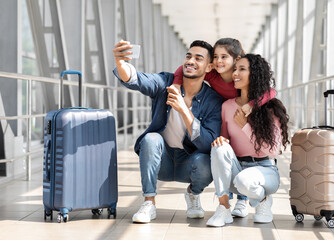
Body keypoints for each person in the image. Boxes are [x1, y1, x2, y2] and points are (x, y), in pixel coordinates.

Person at [112, 39, 223, 223]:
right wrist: (120, 63)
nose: (190, 61)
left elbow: (206, 143)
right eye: (188, 56)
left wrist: (184, 110)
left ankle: (193, 195)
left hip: (190, 162)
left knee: (206, 160)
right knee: (150, 139)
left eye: (198, 58)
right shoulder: (166, 83)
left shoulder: (213, 100)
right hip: (162, 160)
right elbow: (138, 80)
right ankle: (149, 202)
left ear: (209, 67)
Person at [174, 38, 276, 218]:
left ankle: (244, 200)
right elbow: (184, 69)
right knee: (223, 149)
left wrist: (252, 104)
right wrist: (176, 83)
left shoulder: (240, 79)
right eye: (215, 57)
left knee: (245, 147)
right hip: (223, 111)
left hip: (243, 110)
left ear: (237, 59)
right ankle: (225, 204)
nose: (218, 61)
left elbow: (270, 92)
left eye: (224, 57)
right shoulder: (213, 74)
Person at [206, 54, 290, 227]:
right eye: (235, 69)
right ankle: (223, 208)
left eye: (242, 69)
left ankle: (264, 199)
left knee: (245, 180)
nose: (235, 73)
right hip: (237, 169)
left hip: (265, 170)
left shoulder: (271, 107)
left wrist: (245, 126)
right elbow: (225, 140)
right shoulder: (227, 106)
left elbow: (273, 150)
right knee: (219, 147)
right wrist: (220, 141)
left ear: (255, 74)